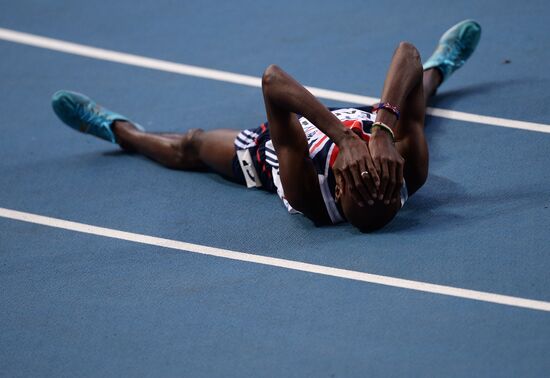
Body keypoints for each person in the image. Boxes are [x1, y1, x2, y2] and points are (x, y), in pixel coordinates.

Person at [51, 20, 481, 232]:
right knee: (414, 98)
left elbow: (273, 80)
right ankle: (442, 66)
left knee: (193, 146)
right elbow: (406, 52)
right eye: (378, 170)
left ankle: (117, 129)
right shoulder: (409, 168)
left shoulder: (308, 193)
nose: (368, 165)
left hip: (274, 147)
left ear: (339, 189)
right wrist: (381, 132)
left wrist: (341, 137)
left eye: (358, 175)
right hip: (354, 121)